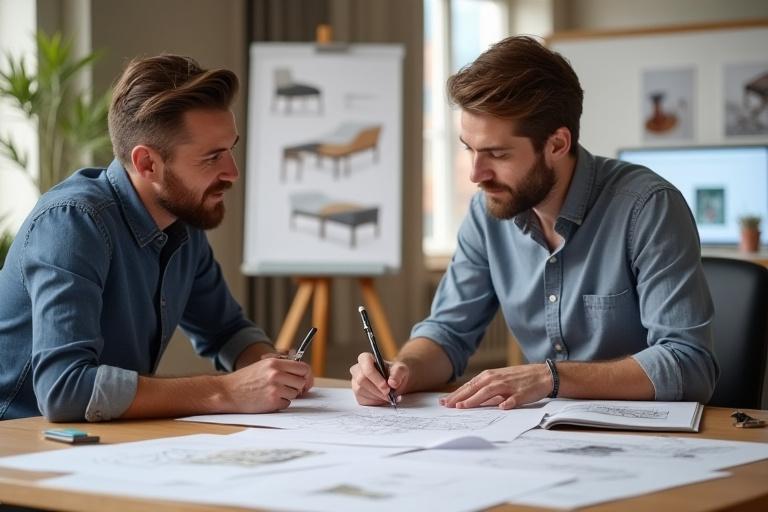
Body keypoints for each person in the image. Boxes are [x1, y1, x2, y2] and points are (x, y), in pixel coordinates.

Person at [351, 36, 718, 409]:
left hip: (648, 439)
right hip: (541, 438)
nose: (476, 175)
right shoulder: (488, 212)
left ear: (557, 144)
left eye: (496, 153)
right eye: (469, 149)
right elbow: (447, 333)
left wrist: (550, 377)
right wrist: (403, 370)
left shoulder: (648, 208)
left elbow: (689, 365)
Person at [0, 55, 312, 422]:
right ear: (148, 164)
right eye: (212, 157)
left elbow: (226, 329)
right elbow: (64, 390)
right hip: (18, 445)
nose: (233, 172)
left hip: (104, 445)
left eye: (231, 149)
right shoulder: (72, 223)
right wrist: (228, 390)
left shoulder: (183, 218)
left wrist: (267, 365)